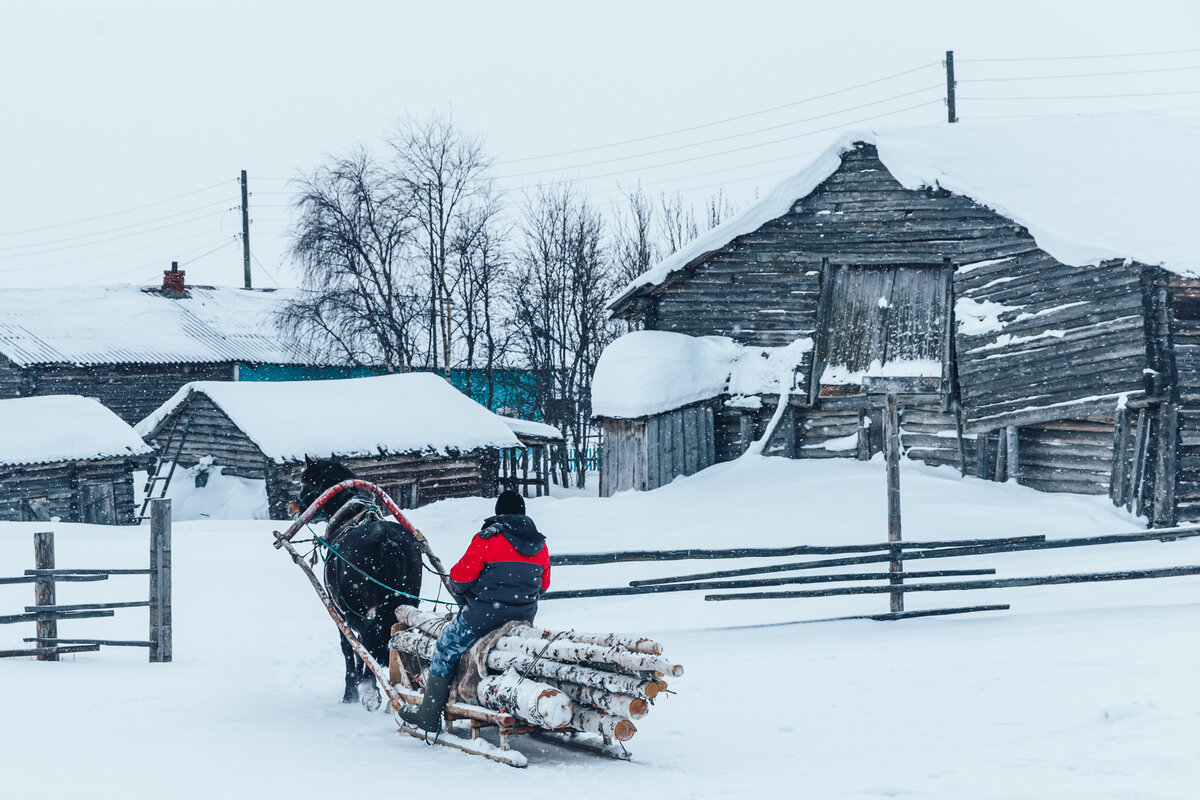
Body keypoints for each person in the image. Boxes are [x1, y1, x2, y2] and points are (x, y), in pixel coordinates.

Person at [399, 489, 550, 733]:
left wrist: (465, 595)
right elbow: (544, 586)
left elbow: (459, 578)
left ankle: (428, 714)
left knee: (446, 647)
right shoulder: (540, 545)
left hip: (483, 616)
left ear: (498, 512)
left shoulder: (487, 539)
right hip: (523, 618)